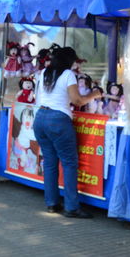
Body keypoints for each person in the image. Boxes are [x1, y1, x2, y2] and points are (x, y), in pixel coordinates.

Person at [33, 46, 103, 218]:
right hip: (58, 120)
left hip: (40, 117)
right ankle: (71, 207)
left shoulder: (44, 73)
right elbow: (77, 100)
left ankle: (52, 203)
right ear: (69, 61)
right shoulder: (67, 75)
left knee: (49, 162)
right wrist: (95, 94)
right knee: (69, 163)